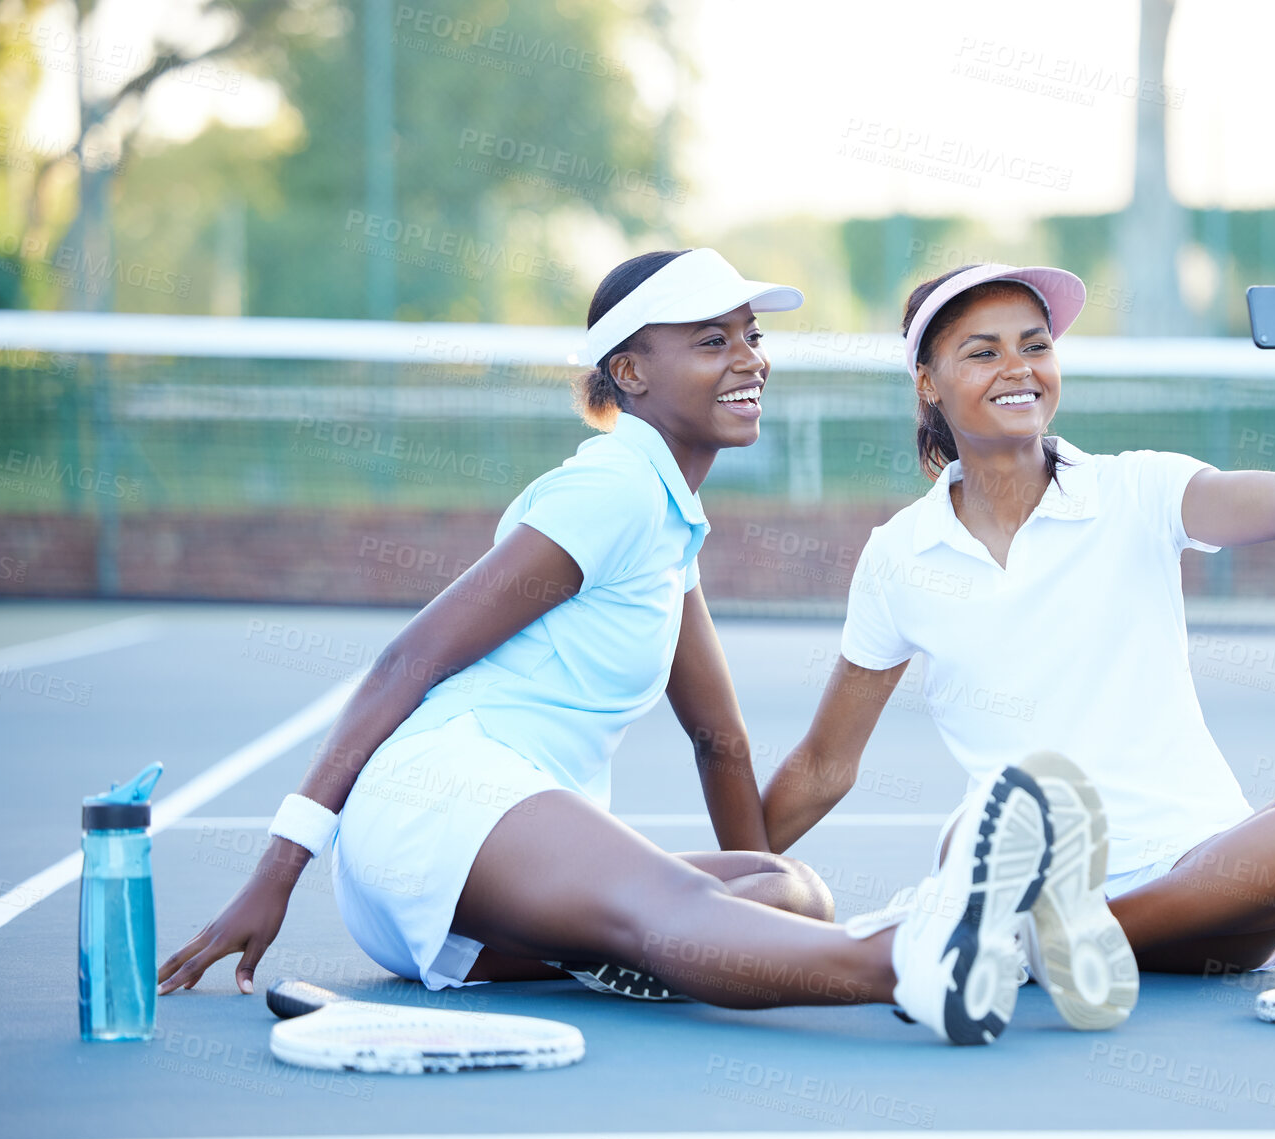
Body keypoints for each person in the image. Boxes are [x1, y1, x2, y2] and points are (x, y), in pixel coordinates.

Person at [156, 249, 1094, 1046]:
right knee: (696, 915)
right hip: (441, 801)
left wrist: (759, 902)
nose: (749, 360)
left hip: (478, 915)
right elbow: (407, 661)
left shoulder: (666, 521)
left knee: (789, 891)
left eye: (751, 337)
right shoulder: (608, 490)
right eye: (711, 340)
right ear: (631, 373)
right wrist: (273, 877)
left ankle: (786, 941)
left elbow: (718, 740)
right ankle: (920, 960)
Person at [763, 262, 1275, 1002]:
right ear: (927, 383)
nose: (1018, 369)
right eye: (982, 352)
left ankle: (1022, 941)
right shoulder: (897, 555)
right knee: (975, 826)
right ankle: (1034, 931)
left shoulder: (1138, 489)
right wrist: (708, 899)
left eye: (1035, 346)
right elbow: (824, 764)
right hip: (1033, 866)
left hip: (1204, 879)